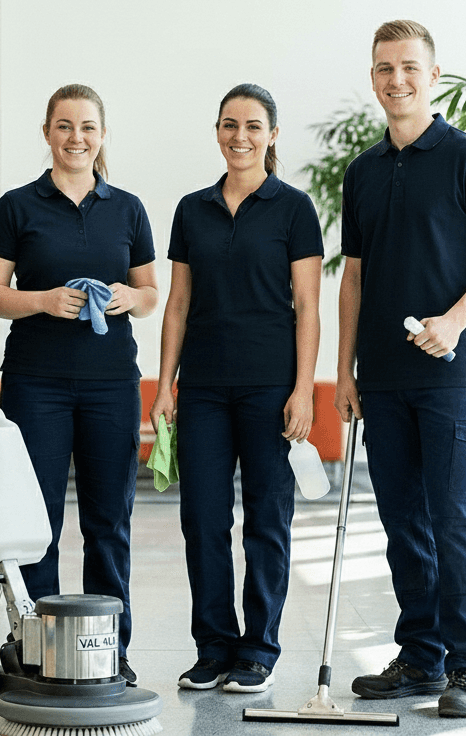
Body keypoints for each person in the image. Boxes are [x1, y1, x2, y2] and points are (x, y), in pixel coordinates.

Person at [334, 20, 466, 718]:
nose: (396, 80)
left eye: (409, 67)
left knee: (456, 520)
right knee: (404, 521)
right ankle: (421, 656)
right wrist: (344, 371)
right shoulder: (363, 172)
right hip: (381, 379)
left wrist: (455, 320)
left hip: (452, 377)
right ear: (375, 78)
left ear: (433, 76)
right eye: (384, 68)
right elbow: (352, 279)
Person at [0, 83, 158, 685]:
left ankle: (110, 652)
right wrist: (45, 301)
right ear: (47, 132)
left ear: (102, 135)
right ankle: (44, 651)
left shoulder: (128, 208)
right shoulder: (16, 207)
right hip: (36, 386)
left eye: (87, 127)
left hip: (111, 386)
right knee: (39, 524)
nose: (76, 137)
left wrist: (129, 296)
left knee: (109, 522)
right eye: (64, 126)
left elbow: (151, 293)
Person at [150, 84, 322, 694]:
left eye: (253, 126)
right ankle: (214, 645)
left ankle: (259, 649)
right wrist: (166, 383)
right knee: (202, 519)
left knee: (266, 521)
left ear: (272, 135)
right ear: (217, 131)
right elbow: (177, 305)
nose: (240, 136)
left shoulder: (294, 208)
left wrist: (304, 390)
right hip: (202, 390)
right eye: (229, 125)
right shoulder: (191, 209)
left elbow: (308, 305)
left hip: (271, 389)